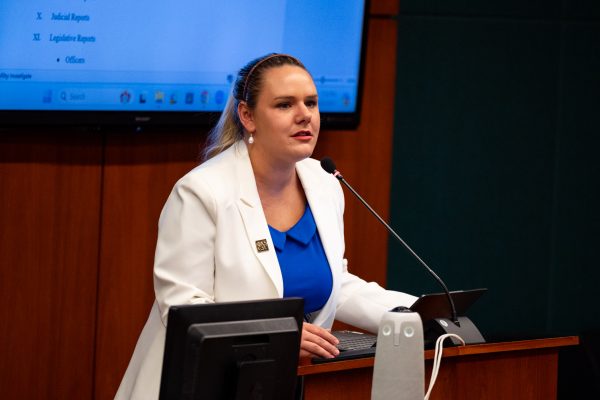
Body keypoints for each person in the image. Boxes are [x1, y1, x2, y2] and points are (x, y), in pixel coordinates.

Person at [115, 53, 416, 399]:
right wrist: (278, 335)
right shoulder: (202, 191)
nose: (305, 115)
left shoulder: (324, 183)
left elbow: (336, 285)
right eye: (285, 105)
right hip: (201, 384)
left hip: (280, 384)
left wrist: (413, 315)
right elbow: (183, 307)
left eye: (312, 103)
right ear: (247, 116)